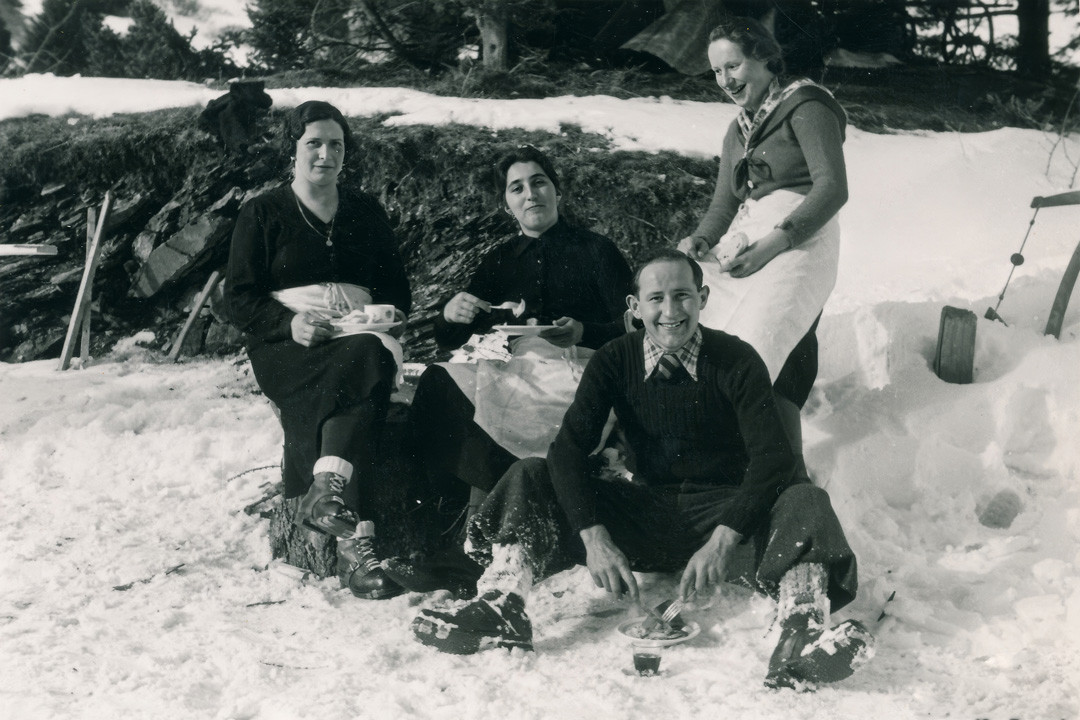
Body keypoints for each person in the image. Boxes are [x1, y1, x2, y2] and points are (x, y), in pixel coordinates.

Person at [410, 251, 873, 690]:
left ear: (703, 299)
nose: (670, 311)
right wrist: (594, 537)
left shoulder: (737, 359)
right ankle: (502, 604)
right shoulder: (615, 359)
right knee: (531, 473)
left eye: (682, 296)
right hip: (643, 513)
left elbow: (774, 459)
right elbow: (567, 452)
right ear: (635, 306)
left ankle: (800, 631)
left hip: (723, 516)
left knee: (804, 497)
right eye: (655, 298)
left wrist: (724, 539)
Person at [225, 101, 411, 600]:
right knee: (366, 379)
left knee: (367, 358)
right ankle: (356, 542)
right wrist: (289, 324)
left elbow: (398, 289)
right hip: (289, 346)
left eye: (336, 145)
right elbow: (237, 297)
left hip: (358, 337)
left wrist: (381, 314)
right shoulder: (262, 212)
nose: (326, 154)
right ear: (293, 151)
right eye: (314, 143)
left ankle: (329, 502)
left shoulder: (366, 211)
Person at [402, 145, 633, 540]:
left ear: (557, 191)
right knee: (439, 381)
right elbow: (454, 336)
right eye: (517, 188)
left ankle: (488, 519)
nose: (530, 194)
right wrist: (451, 313)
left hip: (582, 366)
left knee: (526, 412)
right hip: (516, 368)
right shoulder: (499, 260)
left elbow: (633, 326)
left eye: (539, 182)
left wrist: (583, 331)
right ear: (507, 203)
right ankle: (459, 515)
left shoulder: (597, 251)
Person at [677, 17, 849, 474]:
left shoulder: (806, 106)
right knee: (703, 332)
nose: (725, 80)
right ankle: (715, 463)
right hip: (750, 238)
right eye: (716, 72)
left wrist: (775, 243)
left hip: (800, 237)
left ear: (766, 59)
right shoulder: (737, 130)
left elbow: (832, 189)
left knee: (756, 346)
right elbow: (723, 203)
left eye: (732, 66)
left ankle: (777, 477)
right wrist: (702, 239)